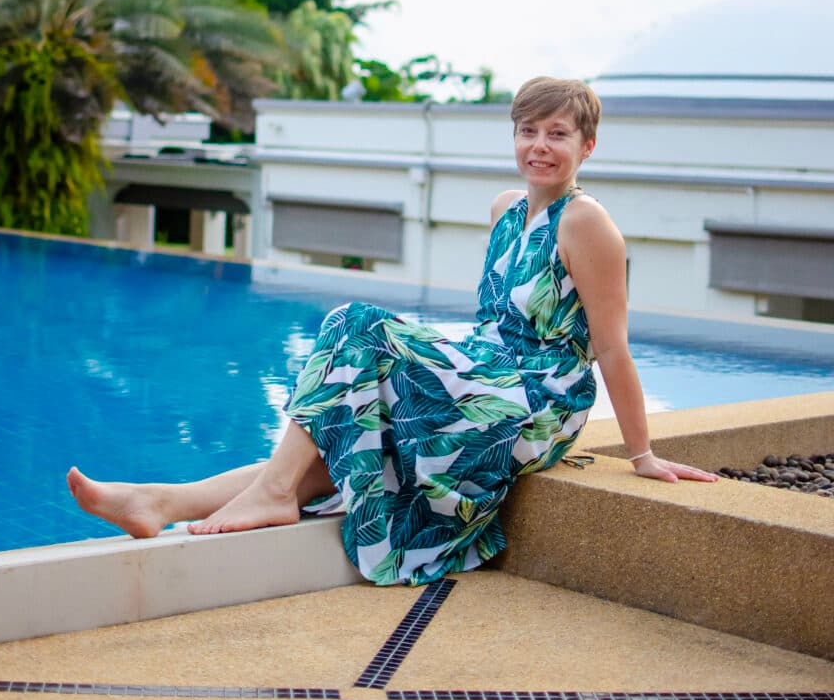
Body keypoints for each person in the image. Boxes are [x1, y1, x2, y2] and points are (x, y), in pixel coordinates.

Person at [67, 77, 717, 586]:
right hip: (484, 372)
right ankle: (160, 501)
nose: (539, 146)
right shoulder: (504, 211)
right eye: (527, 131)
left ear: (587, 147)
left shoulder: (587, 225)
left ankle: (265, 492)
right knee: (347, 415)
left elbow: (610, 346)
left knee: (356, 326)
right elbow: (495, 320)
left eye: (557, 134)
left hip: (536, 402)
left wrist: (641, 454)